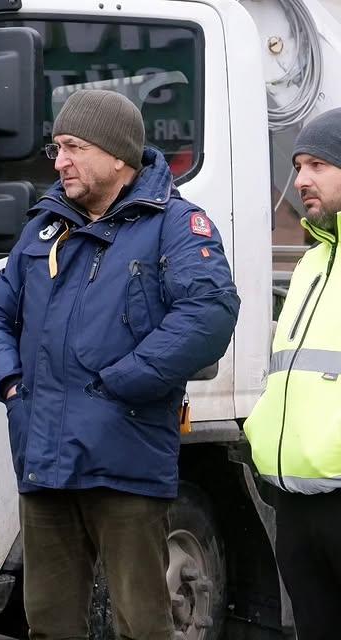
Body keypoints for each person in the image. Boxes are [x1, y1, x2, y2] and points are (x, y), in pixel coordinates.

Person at [0, 89, 240, 640]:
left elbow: (209, 314)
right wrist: (14, 384)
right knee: (49, 625)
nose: (59, 160)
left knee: (141, 626)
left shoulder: (174, 225)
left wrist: (122, 385)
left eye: (73, 147)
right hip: (44, 461)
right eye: (56, 148)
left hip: (126, 464)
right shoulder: (46, 227)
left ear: (118, 155)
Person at [244, 107, 341, 640]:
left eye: (319, 165)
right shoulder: (309, 264)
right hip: (296, 499)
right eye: (298, 165)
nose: (300, 179)